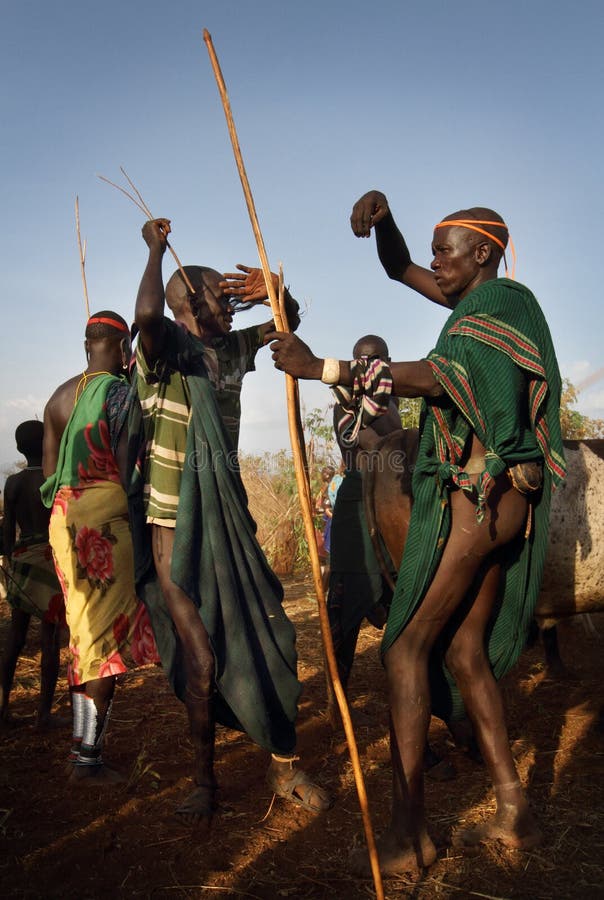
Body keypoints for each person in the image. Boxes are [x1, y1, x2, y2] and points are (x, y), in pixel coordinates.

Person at [267, 194, 566, 873]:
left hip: (480, 500)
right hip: (489, 502)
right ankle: (516, 811)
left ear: (483, 254)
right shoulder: (474, 305)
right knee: (463, 654)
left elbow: (440, 376)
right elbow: (399, 265)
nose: (435, 263)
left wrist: (324, 370)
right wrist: (387, 221)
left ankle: (410, 833)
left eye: (447, 251)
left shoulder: (497, 309)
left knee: (401, 653)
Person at [133, 217, 331, 825]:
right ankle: (203, 780)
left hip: (229, 515)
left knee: (272, 634)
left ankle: (282, 763)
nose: (231, 303)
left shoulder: (231, 348)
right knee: (202, 658)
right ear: (191, 304)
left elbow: (287, 328)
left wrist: (277, 289)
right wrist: (156, 251)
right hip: (172, 526)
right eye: (223, 295)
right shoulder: (164, 354)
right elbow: (144, 318)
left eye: (232, 295)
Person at [41, 311, 159, 783]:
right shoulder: (118, 393)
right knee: (104, 642)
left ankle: (83, 748)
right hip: (105, 521)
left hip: (62, 522)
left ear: (87, 345)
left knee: (84, 635)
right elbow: (134, 468)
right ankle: (86, 758)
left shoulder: (57, 398)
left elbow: (48, 479)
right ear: (124, 345)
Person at [1, 421, 66, 728]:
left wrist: (9, 563)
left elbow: (7, 531)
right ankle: (43, 713)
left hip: (22, 560)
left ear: (18, 448)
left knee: (15, 637)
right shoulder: (51, 479)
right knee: (50, 639)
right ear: (47, 441)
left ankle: (3, 710)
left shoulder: (13, 483)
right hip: (51, 560)